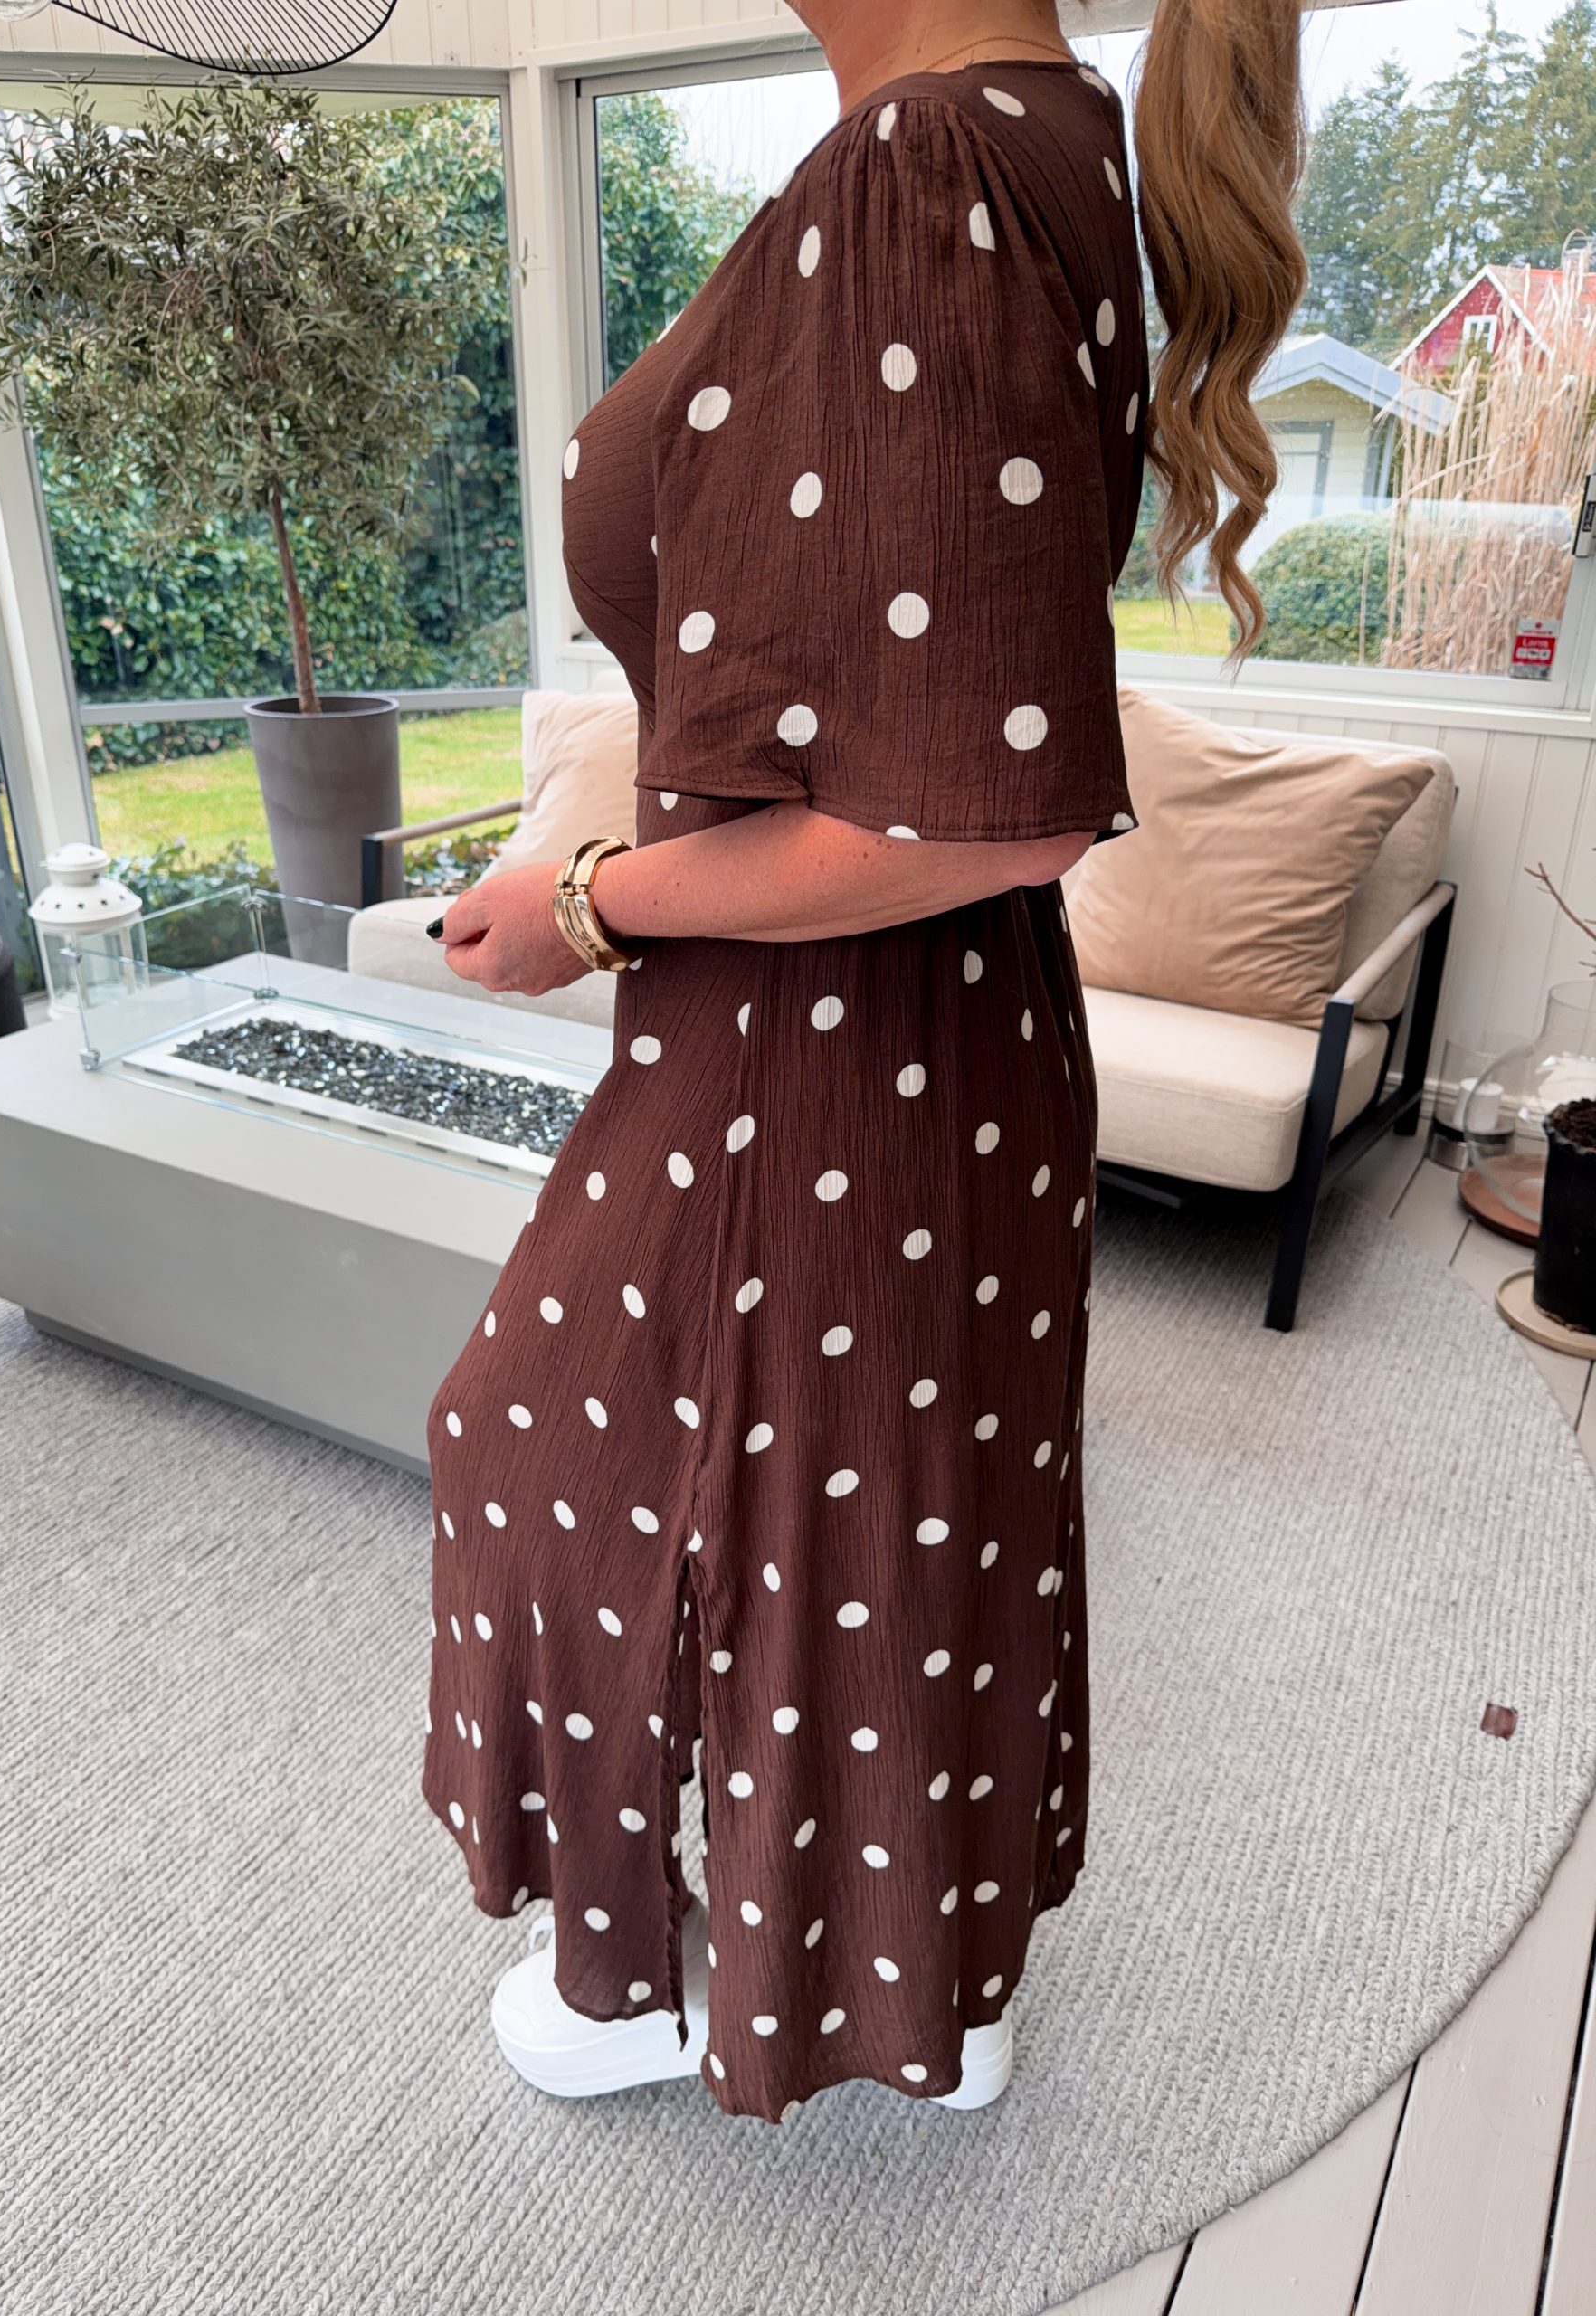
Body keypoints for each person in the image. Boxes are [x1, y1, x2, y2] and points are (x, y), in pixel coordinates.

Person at [420, 0, 1306, 2124]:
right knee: (907, 1518)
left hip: (809, 1057)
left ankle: (635, 1985)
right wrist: (608, 855)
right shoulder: (1040, 144)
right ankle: (941, 1983)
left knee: (538, 1453)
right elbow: (898, 705)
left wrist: (594, 900)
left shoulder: (930, 172)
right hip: (936, 1048)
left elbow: (981, 811)